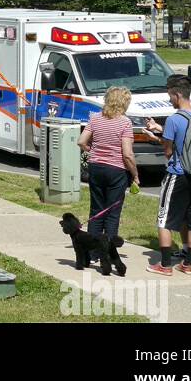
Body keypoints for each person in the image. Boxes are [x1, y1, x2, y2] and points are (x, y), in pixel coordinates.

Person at [144, 75, 191, 276]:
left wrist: (156, 138)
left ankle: (164, 265)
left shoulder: (173, 119)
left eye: (170, 96)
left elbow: (168, 150)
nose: (169, 100)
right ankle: (188, 264)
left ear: (177, 94)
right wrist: (161, 131)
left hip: (177, 174)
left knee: (164, 220)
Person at [77, 86, 139, 262]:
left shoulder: (95, 119)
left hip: (96, 167)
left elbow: (81, 141)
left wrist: (92, 151)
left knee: (96, 210)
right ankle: (109, 252)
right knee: (112, 212)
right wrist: (135, 174)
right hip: (116, 170)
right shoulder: (125, 123)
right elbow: (127, 154)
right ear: (124, 103)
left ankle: (92, 251)